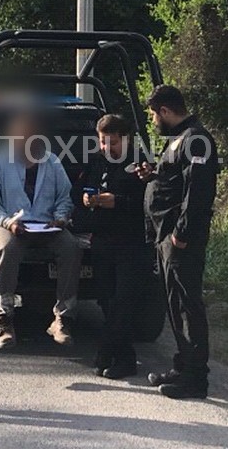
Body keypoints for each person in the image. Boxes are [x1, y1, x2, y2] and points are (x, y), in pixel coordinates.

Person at [137, 85, 219, 400]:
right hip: (166, 237)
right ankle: (183, 367)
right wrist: (152, 175)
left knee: (187, 306)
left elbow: (197, 193)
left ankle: (196, 379)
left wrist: (180, 234)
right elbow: (174, 180)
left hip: (181, 239)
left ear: (166, 111)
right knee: (174, 305)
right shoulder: (179, 140)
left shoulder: (196, 139)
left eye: (154, 114)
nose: (153, 121)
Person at [0, 115, 82, 349]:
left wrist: (61, 219)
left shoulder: (52, 162)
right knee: (7, 248)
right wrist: (8, 223)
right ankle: (4, 318)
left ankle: (62, 318)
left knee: (71, 247)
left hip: (47, 226)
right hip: (11, 226)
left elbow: (65, 197)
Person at [71, 114, 150, 379]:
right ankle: (117, 355)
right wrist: (87, 199)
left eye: (113, 142)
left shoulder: (141, 164)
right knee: (106, 300)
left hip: (132, 242)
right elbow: (81, 191)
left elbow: (149, 203)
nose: (107, 148)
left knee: (123, 302)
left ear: (127, 139)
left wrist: (118, 201)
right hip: (103, 241)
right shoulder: (96, 162)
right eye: (103, 142)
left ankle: (115, 354)